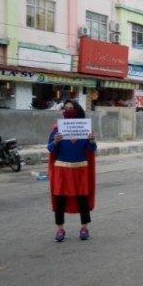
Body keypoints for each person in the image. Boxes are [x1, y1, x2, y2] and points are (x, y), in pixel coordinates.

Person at [47, 100, 97, 242]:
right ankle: (60, 229)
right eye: (66, 108)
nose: (68, 111)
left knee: (82, 199)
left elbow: (91, 149)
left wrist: (92, 141)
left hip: (80, 168)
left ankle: (84, 228)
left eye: (71, 108)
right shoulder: (57, 128)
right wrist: (55, 141)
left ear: (77, 110)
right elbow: (50, 148)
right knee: (60, 199)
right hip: (61, 169)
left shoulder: (84, 128)